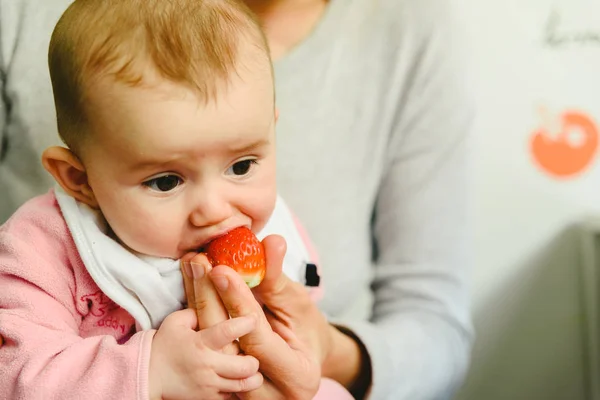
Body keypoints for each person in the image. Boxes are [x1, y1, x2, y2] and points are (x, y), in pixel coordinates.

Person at [0, 0, 475, 399]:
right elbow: (15, 372)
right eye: (166, 181)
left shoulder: (270, 242)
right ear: (78, 178)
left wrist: (315, 374)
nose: (216, 208)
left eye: (242, 167)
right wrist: (151, 371)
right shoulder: (43, 250)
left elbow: (424, 329)